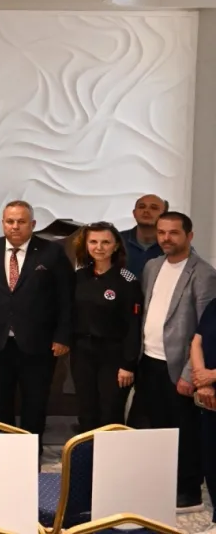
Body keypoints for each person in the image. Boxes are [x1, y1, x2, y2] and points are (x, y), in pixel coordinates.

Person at [130, 211, 215, 507]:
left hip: (178, 366)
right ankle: (158, 484)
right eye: (161, 232)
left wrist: (190, 374)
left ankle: (189, 491)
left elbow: (205, 329)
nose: (166, 238)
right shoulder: (152, 265)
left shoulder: (203, 273)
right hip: (148, 360)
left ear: (189, 236)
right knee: (153, 427)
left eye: (173, 233)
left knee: (184, 431)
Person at [0, 200, 74, 438]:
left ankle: (31, 451)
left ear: (33, 224)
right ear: (3, 223)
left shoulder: (52, 252)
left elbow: (66, 297)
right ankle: (1, 450)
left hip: (40, 343)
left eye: (21, 221)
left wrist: (62, 336)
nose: (15, 226)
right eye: (10, 221)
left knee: (35, 400)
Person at [68, 222, 141, 433]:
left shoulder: (127, 280)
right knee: (86, 409)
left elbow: (133, 325)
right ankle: (86, 452)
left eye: (105, 242)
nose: (99, 247)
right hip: (82, 353)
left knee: (110, 411)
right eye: (93, 242)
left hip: (114, 356)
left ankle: (111, 454)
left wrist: (128, 364)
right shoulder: (78, 277)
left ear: (116, 245)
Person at [189, 291, 216, 524]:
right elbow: (197, 342)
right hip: (209, 397)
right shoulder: (214, 305)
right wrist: (202, 380)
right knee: (211, 462)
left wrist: (212, 376)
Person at [123, 194, 166, 278]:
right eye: (142, 207)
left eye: (154, 208)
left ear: (164, 215)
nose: (146, 211)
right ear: (134, 213)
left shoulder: (171, 244)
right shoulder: (117, 241)